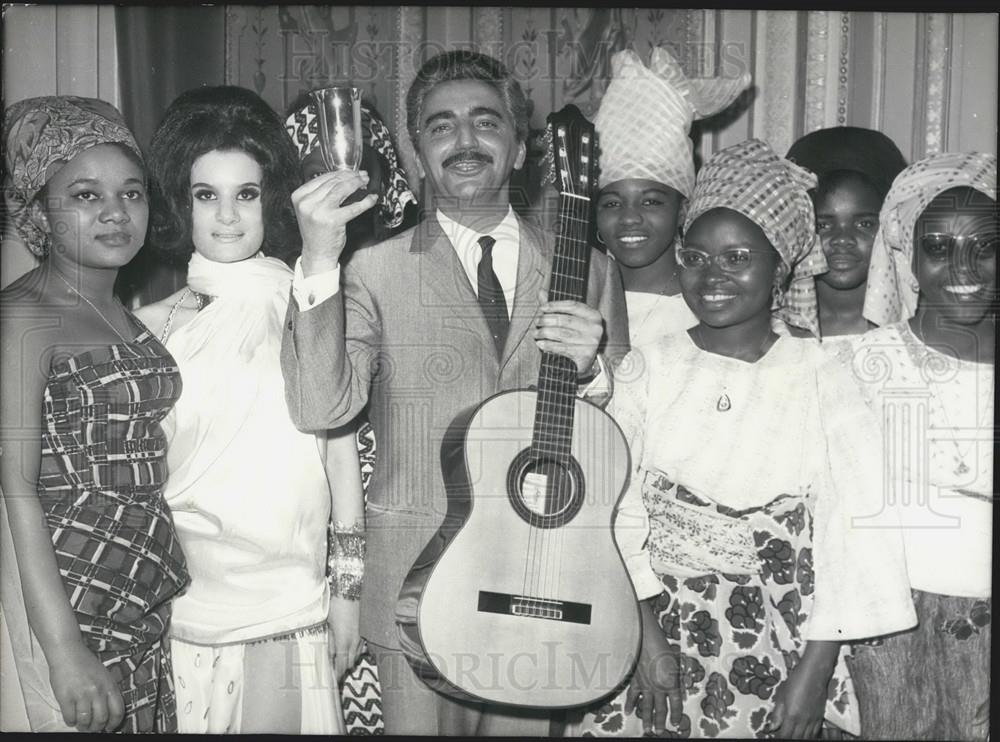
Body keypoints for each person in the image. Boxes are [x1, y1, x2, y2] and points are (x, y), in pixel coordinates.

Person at [280, 50, 629, 735]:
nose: (464, 142)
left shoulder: (585, 266)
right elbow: (323, 408)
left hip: (544, 581)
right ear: (419, 151)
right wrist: (319, 259)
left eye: (485, 122)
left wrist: (594, 371)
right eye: (441, 127)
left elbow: (623, 440)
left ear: (521, 147)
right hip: (416, 586)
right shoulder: (369, 269)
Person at [573, 139, 917, 738]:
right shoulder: (646, 369)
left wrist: (815, 667)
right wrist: (641, 628)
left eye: (737, 258)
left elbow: (852, 528)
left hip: (779, 636)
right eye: (697, 257)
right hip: (648, 620)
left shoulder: (826, 375)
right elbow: (611, 499)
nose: (713, 277)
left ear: (779, 265)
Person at [134, 86, 362, 734]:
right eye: (207, 194)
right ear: (182, 200)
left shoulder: (311, 305)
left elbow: (338, 455)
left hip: (285, 606)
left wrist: (347, 596)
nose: (227, 217)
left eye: (247, 193)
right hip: (185, 609)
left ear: (273, 200)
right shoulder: (147, 328)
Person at [0, 96, 189, 732]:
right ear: (40, 213)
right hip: (77, 602)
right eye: (85, 195)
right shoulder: (23, 315)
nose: (116, 212)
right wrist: (64, 651)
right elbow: (18, 490)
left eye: (131, 193)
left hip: (143, 592)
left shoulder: (123, 310)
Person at [846, 151, 995, 741]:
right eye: (939, 246)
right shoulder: (860, 364)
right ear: (908, 258)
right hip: (883, 628)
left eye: (985, 247)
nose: (963, 267)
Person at [284, 91, 418, 736]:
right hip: (304, 558)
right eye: (313, 179)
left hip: (397, 549)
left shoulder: (410, 269)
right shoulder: (289, 282)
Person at [593, 47, 749, 348]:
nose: (629, 217)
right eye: (612, 203)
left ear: (683, 210)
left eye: (651, 201)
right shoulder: (579, 292)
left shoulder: (712, 300)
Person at [786, 126, 908, 342]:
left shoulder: (913, 326)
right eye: (822, 225)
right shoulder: (774, 332)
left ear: (891, 226)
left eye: (864, 223)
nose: (843, 239)